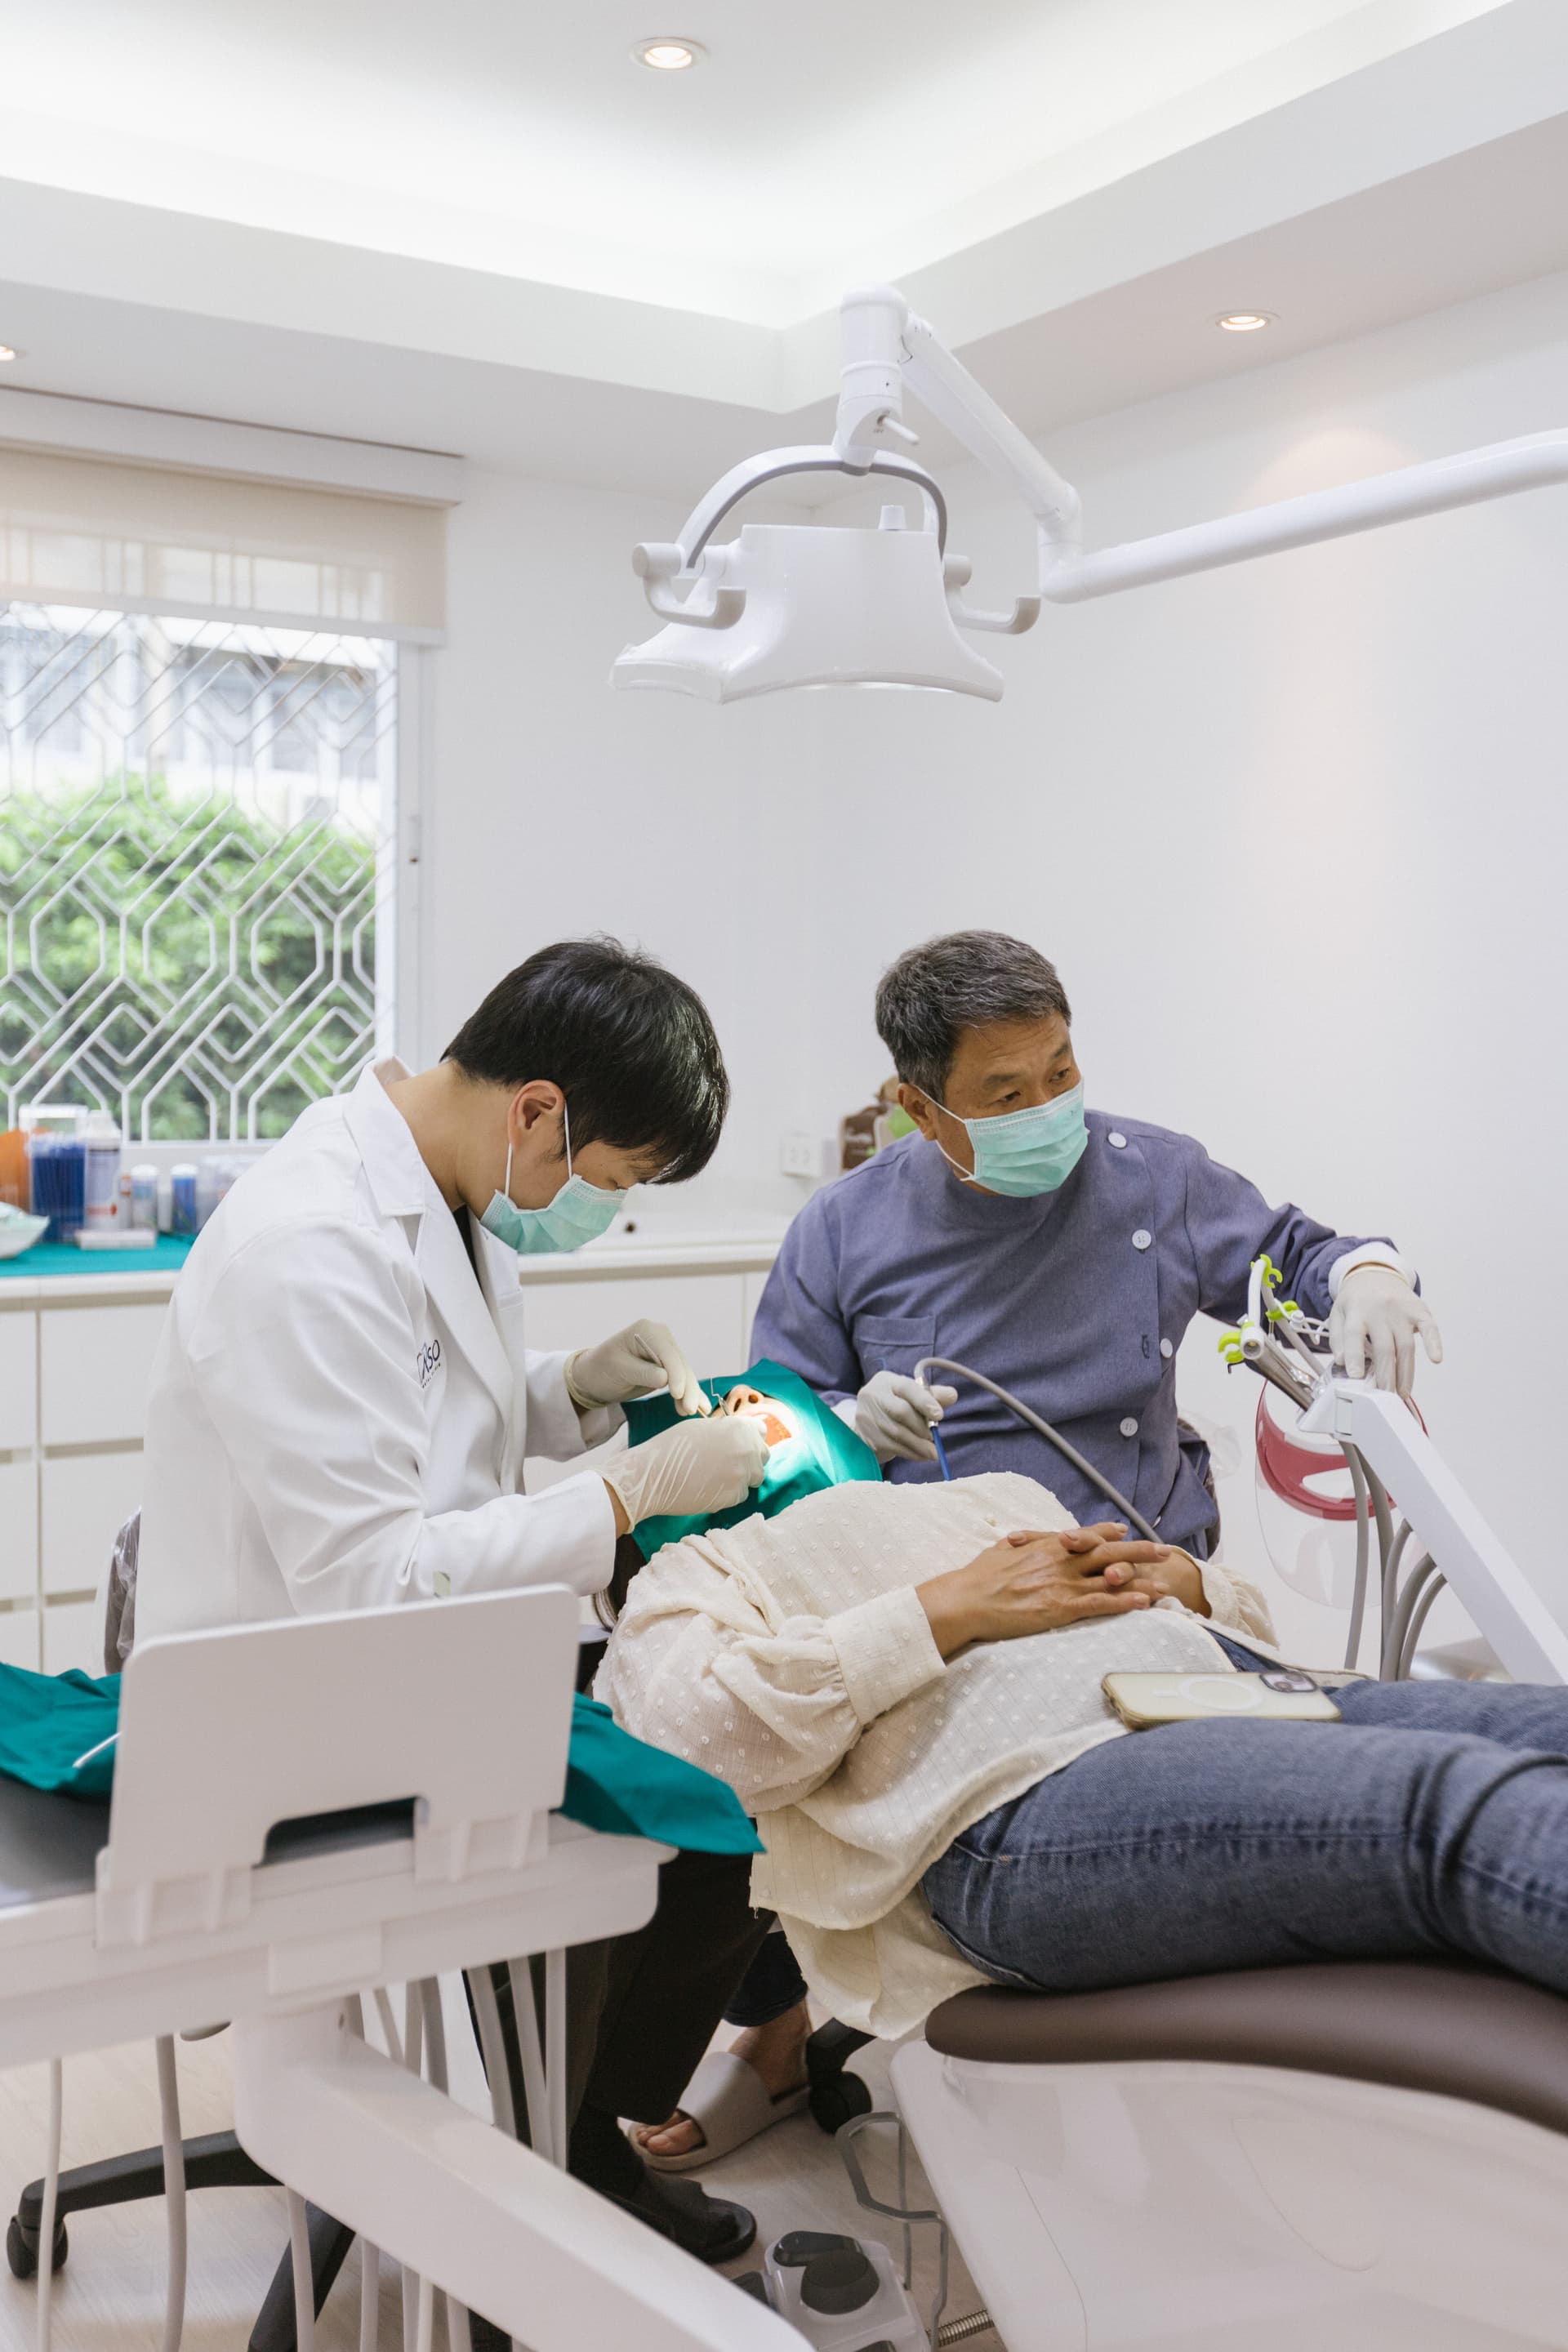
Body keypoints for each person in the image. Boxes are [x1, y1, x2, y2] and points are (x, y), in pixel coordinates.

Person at [645, 924, 1445, 2163]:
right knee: (783, 1763)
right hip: (951, 1610)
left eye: (1061, 1072)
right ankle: (773, 2030)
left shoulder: (1154, 1180)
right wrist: (847, 1426)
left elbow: (1300, 1257)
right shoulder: (845, 1229)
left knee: (1381, 1763)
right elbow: (768, 1440)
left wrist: (1373, 1273)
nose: (1048, 1109)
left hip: (1140, 1588)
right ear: (921, 1106)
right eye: (1006, 1094)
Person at [136, 936, 770, 2264]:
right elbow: (375, 1578)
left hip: (429, 1665)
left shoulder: (453, 1187)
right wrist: (627, 1492)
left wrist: (572, 1389)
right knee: (671, 1832)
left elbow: (432, 1414)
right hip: (306, 1715)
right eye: (610, 1180)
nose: (606, 1209)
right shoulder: (311, 1240)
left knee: (713, 1816)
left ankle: (577, 2143)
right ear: (538, 1108)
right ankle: (520, 2192)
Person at [598, 1469, 1568, 2038]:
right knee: (1452, 1810)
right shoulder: (697, 1571)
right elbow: (700, 1748)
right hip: (1022, 1797)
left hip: (1242, 1695)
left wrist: (1187, 1581)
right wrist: (945, 1610)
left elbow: (1239, 1617)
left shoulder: (994, 1492)